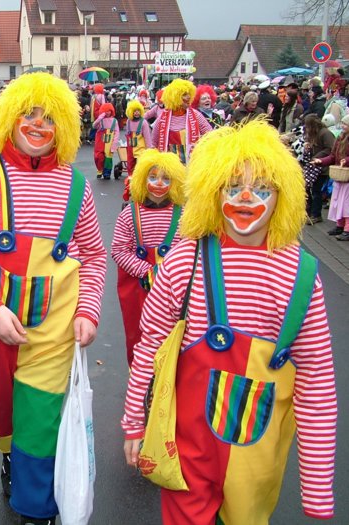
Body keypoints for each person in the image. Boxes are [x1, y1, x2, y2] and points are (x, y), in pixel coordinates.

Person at [122, 121, 336, 524]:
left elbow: (316, 381)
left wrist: (317, 483)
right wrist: (135, 421)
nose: (246, 197)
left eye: (262, 188)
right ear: (212, 192)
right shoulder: (184, 260)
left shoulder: (301, 274)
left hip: (256, 464)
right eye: (233, 186)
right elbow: (150, 345)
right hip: (185, 452)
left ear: (283, 195)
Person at [0, 72, 107, 525]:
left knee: (38, 426)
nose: (38, 124)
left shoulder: (76, 186)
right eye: (29, 114)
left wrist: (88, 309)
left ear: (63, 126)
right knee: (0, 414)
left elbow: (93, 256)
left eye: (49, 117)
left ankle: (35, 510)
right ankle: (9, 452)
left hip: (52, 337)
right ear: (9, 119)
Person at [111, 150, 185, 366]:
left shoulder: (184, 216)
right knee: (138, 331)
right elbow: (119, 250)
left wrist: (171, 272)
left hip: (174, 286)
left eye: (166, 178)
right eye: (153, 177)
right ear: (142, 180)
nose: (159, 183)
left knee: (174, 331)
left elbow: (189, 248)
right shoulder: (129, 214)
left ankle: (168, 374)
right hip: (138, 286)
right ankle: (139, 371)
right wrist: (147, 271)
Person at [152, 79, 212, 164]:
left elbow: (211, 135)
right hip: (171, 166)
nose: (188, 97)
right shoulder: (162, 119)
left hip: (191, 165)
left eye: (189, 94)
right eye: (184, 95)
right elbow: (153, 144)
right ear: (174, 97)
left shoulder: (196, 115)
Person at [313, 114, 349, 240]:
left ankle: (347, 229)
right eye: (343, 123)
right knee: (338, 202)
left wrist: (346, 160)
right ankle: (340, 225)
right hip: (339, 176)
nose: (343, 126)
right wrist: (321, 161)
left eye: (345, 124)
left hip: (347, 177)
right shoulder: (340, 138)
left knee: (346, 204)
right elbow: (333, 156)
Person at [302, 114, 335, 225]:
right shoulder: (314, 134)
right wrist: (308, 146)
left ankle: (316, 215)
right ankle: (309, 212)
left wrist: (318, 157)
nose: (306, 128)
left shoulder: (325, 133)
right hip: (314, 166)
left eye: (307, 126)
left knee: (316, 191)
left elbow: (330, 149)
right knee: (308, 189)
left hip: (322, 168)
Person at [124, 100, 153, 178]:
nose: (137, 113)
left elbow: (147, 137)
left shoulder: (143, 122)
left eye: (138, 111)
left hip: (141, 148)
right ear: (130, 112)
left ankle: (140, 179)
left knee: (141, 164)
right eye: (134, 111)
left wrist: (149, 149)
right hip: (131, 148)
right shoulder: (128, 122)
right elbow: (127, 134)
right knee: (130, 165)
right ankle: (130, 178)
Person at [92, 103, 120, 180]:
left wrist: (114, 145)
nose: (107, 112)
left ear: (112, 111)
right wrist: (99, 118)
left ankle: (107, 173)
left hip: (109, 142)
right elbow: (94, 126)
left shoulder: (114, 121)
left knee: (108, 158)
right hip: (100, 141)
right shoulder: (101, 120)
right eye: (106, 111)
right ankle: (100, 170)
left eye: (109, 111)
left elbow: (117, 133)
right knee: (98, 157)